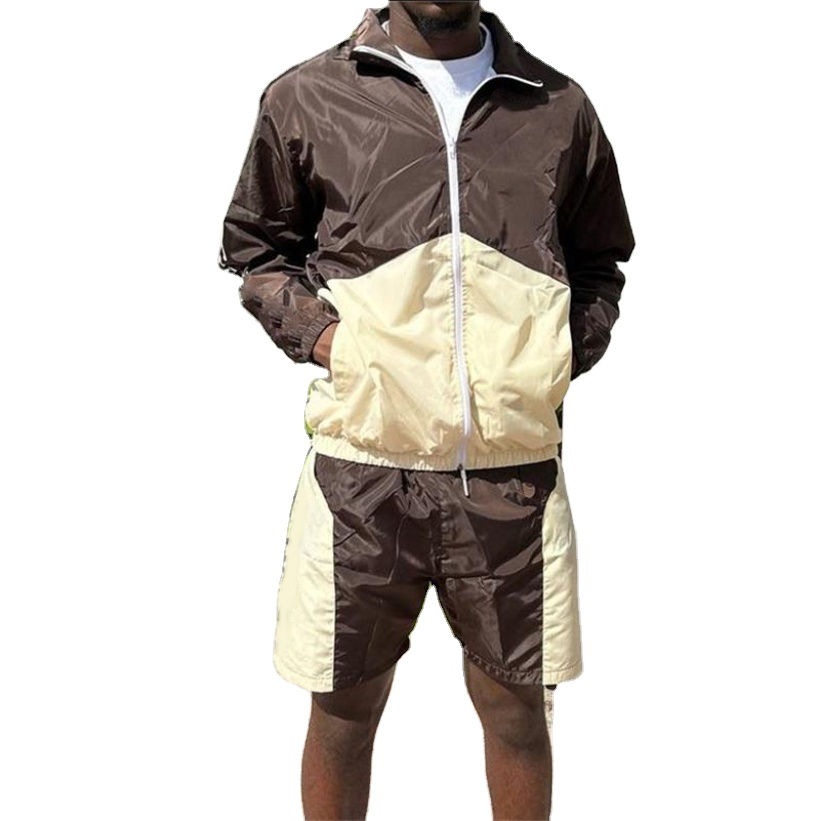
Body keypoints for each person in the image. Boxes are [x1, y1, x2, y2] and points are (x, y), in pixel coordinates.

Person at [217, 2, 635, 818]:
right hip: (363, 468)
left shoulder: (556, 105)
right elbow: (256, 249)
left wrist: (554, 356)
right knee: (344, 711)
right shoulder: (309, 95)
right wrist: (329, 340)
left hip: (512, 471)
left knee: (517, 711)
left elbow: (599, 257)